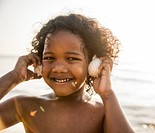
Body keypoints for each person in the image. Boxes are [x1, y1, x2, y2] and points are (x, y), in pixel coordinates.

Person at [0, 13, 134, 133]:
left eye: (71, 58)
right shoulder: (24, 106)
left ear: (94, 64)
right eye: (49, 58)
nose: (58, 68)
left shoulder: (104, 114)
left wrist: (107, 94)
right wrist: (15, 76)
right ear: (40, 63)